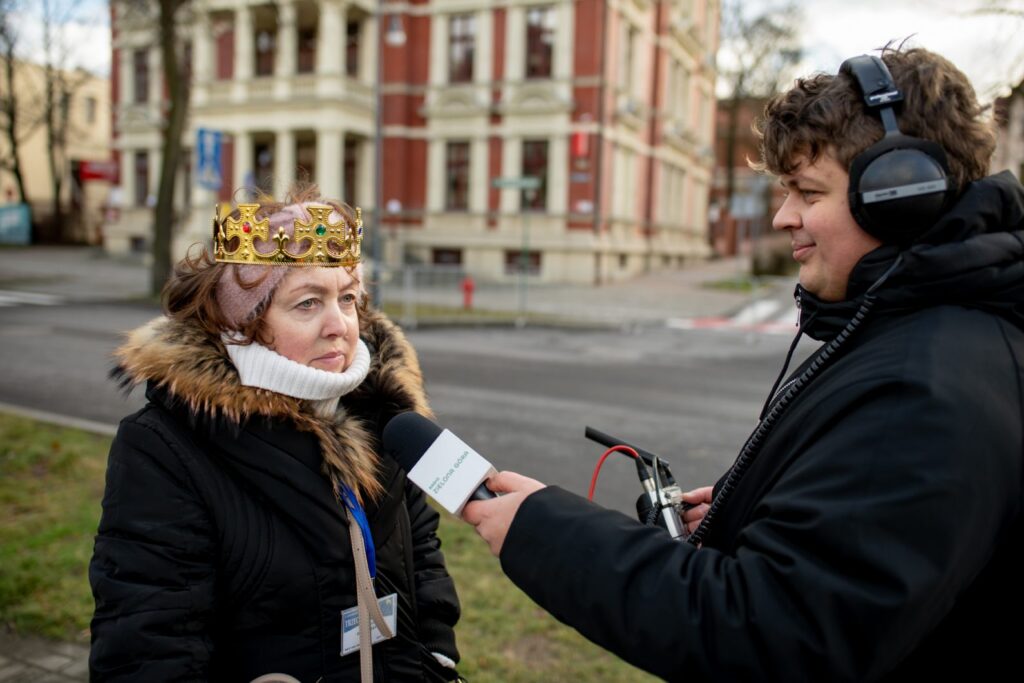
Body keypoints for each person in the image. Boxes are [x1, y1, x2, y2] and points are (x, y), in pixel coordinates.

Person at [463, 45, 1024, 682]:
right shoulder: (924, 338)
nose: (785, 217)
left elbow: (772, 635)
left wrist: (542, 533)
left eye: (807, 192)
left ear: (900, 197)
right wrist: (755, 511)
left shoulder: (923, 391)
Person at [89, 186, 463, 682]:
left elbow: (419, 545)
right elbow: (147, 643)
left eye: (348, 298)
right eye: (308, 304)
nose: (341, 326)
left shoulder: (379, 410)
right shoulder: (165, 447)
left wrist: (437, 654)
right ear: (243, 324)